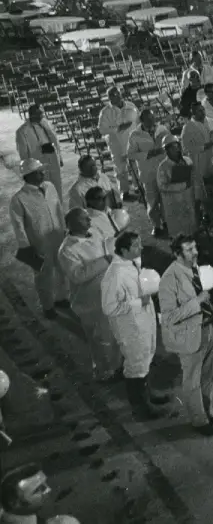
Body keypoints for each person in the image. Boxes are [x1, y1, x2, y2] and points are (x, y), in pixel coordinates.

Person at [159, 235, 213, 436]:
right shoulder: (168, 279)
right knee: (192, 381)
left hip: (208, 329)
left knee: (207, 376)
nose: (195, 252)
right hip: (189, 337)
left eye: (195, 247)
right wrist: (196, 302)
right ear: (177, 253)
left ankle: (209, 412)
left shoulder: (197, 268)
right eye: (189, 250)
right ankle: (199, 421)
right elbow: (169, 317)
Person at [101, 232, 167, 420]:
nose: (141, 248)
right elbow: (109, 307)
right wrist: (139, 302)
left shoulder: (131, 263)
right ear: (124, 250)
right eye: (136, 246)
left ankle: (148, 395)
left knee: (146, 357)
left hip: (143, 321)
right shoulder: (114, 274)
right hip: (130, 327)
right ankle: (141, 408)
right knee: (136, 363)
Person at [58, 209, 122, 381]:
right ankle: (105, 372)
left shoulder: (93, 232)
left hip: (110, 290)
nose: (89, 221)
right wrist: (105, 261)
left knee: (115, 331)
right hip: (90, 301)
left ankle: (119, 365)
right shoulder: (67, 250)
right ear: (72, 224)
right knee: (100, 338)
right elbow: (78, 275)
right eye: (85, 219)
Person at [11, 159, 67, 317]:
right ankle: (48, 307)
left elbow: (58, 209)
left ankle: (62, 298)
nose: (43, 173)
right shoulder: (19, 199)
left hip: (57, 236)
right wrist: (27, 249)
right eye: (39, 171)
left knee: (62, 269)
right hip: (39, 244)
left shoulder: (50, 187)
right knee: (43, 276)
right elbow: (18, 228)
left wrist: (64, 230)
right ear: (28, 175)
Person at [127, 108, 168, 236]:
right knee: (152, 200)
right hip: (148, 172)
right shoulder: (135, 135)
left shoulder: (162, 129)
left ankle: (167, 221)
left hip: (163, 169)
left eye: (153, 118)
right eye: (148, 119)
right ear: (142, 120)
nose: (152, 121)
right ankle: (156, 225)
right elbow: (130, 154)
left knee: (166, 198)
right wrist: (148, 154)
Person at [98, 86, 139, 199]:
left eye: (115, 95)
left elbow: (138, 119)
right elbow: (102, 129)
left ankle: (138, 187)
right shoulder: (106, 112)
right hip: (116, 144)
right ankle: (124, 191)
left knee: (135, 165)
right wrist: (118, 128)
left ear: (120, 95)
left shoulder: (130, 105)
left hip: (132, 140)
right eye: (110, 96)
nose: (113, 98)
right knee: (121, 168)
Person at [157, 134, 199, 238]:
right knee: (179, 231)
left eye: (176, 146)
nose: (176, 149)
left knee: (191, 225)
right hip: (173, 203)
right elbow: (162, 186)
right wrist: (183, 185)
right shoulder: (163, 166)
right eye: (172, 147)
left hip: (188, 198)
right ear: (166, 150)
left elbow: (194, 176)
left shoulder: (187, 160)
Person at [16, 103, 62, 196]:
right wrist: (29, 171)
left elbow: (55, 140)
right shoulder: (22, 131)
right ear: (32, 114)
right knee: (43, 190)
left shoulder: (45, 123)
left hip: (53, 159)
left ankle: (59, 208)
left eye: (42, 113)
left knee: (57, 187)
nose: (42, 115)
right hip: (38, 163)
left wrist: (60, 158)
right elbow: (23, 153)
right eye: (39, 113)